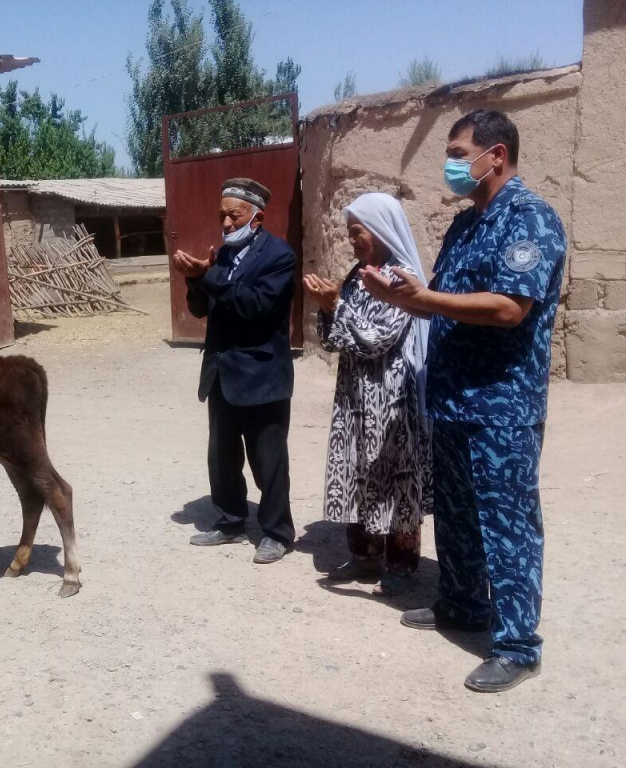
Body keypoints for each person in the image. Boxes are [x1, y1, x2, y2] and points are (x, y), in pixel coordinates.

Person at [361, 109, 567, 692]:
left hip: (502, 405)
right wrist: (405, 297)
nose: (451, 164)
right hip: (453, 401)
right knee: (455, 516)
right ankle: (461, 604)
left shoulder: (528, 219)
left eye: (458, 152)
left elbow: (509, 308)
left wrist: (428, 298)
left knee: (508, 525)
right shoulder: (465, 225)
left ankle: (519, 645)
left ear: (494, 156)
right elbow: (441, 299)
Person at [304, 193, 432, 597]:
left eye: (357, 233)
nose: (352, 241)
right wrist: (328, 310)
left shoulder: (401, 277)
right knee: (357, 467)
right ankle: (364, 556)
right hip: (356, 394)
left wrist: (336, 305)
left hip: (391, 396)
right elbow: (335, 340)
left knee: (394, 472)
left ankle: (400, 564)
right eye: (349, 233)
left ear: (379, 231)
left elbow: (378, 338)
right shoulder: (358, 274)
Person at [172, 178, 297, 564]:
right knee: (222, 455)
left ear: (256, 217)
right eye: (221, 215)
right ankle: (230, 520)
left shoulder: (280, 256)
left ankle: (277, 532)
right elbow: (201, 309)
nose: (225, 223)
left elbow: (255, 306)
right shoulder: (223, 257)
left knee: (268, 460)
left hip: (262, 376)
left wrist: (208, 277)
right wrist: (195, 280)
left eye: (234, 215)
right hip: (223, 374)